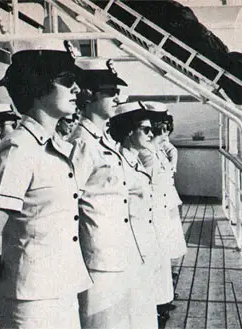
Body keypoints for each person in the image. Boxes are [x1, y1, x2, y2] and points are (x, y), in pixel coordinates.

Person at [0, 39, 92, 329]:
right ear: (38, 84)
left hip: (61, 289)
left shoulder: (51, 145)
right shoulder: (18, 150)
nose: (77, 90)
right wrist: (7, 282)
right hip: (29, 301)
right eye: (67, 81)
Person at [68, 58, 143, 329]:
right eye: (110, 92)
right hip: (96, 256)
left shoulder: (103, 141)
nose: (116, 98)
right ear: (87, 95)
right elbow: (69, 203)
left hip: (115, 251)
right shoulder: (82, 142)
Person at [108, 101, 167, 329]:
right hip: (131, 248)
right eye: (145, 129)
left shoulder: (134, 161)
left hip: (144, 243)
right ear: (129, 131)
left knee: (144, 308)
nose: (150, 134)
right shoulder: (118, 164)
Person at [137, 103, 187, 322]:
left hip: (163, 206)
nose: (165, 131)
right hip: (154, 209)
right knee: (158, 257)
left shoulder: (156, 150)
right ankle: (158, 302)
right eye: (163, 127)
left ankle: (163, 299)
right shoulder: (147, 153)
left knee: (164, 255)